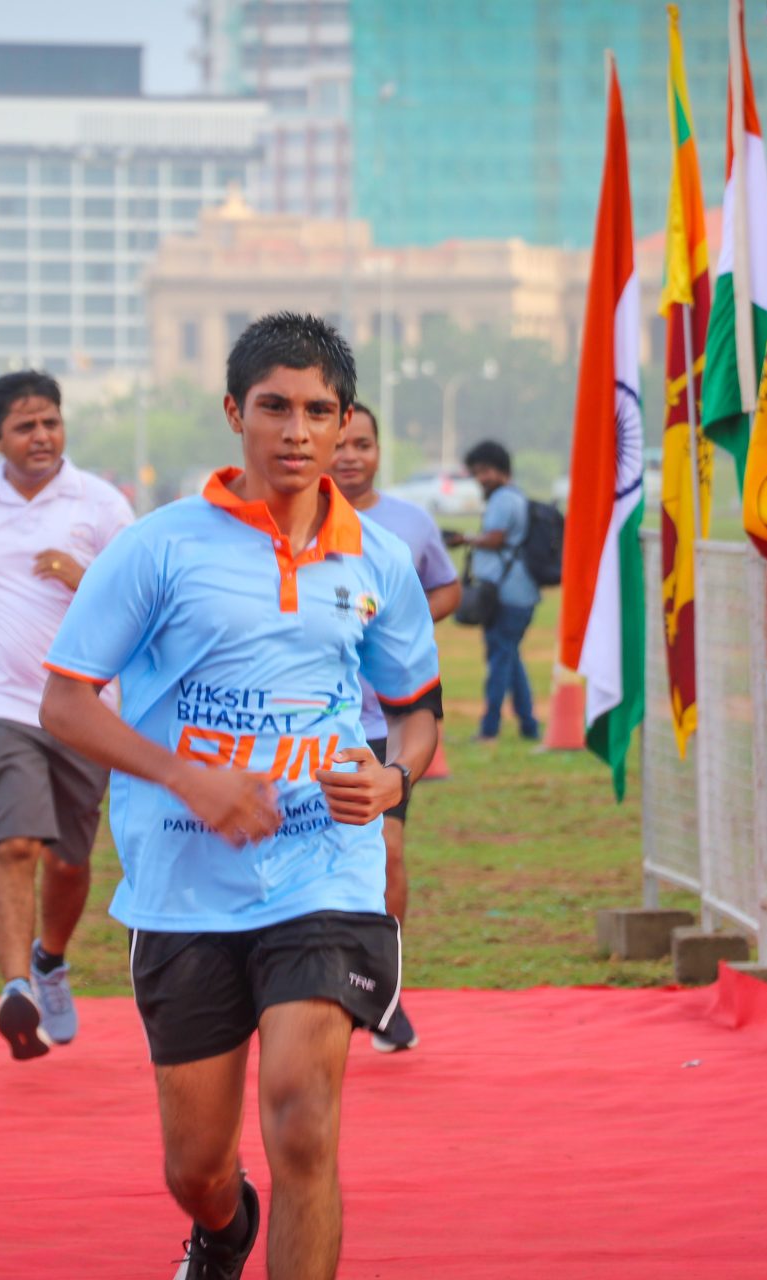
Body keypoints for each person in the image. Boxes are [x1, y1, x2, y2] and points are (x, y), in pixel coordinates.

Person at [38, 313, 440, 1280]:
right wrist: (191, 779)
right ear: (234, 412)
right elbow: (63, 702)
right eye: (275, 408)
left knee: (303, 1120)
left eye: (318, 412)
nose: (298, 432)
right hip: (184, 890)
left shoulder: (377, 559)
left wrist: (391, 778)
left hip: (323, 878)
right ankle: (220, 1231)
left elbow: (418, 712)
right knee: (198, 1166)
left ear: (344, 423)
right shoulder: (158, 548)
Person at [0, 370, 134, 1059]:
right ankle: (14, 988)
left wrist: (86, 578)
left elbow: (144, 597)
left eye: (50, 421)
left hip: (85, 707)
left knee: (71, 863)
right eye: (25, 426)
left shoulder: (101, 506)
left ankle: (49, 960)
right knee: (16, 844)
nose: (41, 436)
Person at [329, 401, 459, 1054]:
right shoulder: (285, 523)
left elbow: (447, 588)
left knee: (389, 852)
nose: (350, 455)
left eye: (363, 443)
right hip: (305, 727)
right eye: (340, 442)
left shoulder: (407, 525)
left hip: (383, 722)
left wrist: (398, 625)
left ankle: (382, 990)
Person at [454, 439, 540, 741]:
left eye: (486, 471)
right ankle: (529, 726)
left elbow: (495, 538)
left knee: (500, 662)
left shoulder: (503, 499)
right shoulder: (515, 496)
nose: (481, 478)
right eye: (477, 472)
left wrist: (464, 539)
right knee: (510, 659)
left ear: (501, 470)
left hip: (507, 594)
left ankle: (489, 728)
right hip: (518, 592)